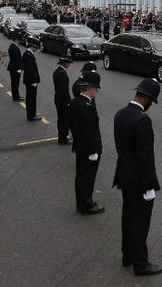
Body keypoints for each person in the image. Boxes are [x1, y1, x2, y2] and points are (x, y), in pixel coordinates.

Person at [113, 78, 162, 276]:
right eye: (151, 100)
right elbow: (145, 156)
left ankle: (127, 255)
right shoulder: (142, 120)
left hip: (124, 176)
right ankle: (141, 263)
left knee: (127, 217)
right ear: (146, 97)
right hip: (139, 181)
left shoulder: (120, 114)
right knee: (140, 222)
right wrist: (150, 185)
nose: (151, 104)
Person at [69, 71, 104, 214]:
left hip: (79, 147)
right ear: (91, 89)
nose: (96, 91)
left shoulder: (75, 102)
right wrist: (93, 151)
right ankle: (86, 204)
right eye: (96, 89)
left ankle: (81, 203)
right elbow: (90, 131)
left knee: (81, 176)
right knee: (87, 178)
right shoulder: (87, 106)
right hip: (88, 150)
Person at [53, 56, 74, 145]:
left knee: (62, 119)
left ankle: (63, 136)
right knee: (64, 120)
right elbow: (63, 90)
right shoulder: (61, 73)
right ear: (64, 63)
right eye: (68, 63)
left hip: (58, 98)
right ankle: (63, 138)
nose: (69, 64)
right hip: (62, 100)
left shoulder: (57, 71)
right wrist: (68, 101)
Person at [23, 41, 42, 121]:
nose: (37, 50)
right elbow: (31, 70)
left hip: (29, 80)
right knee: (31, 98)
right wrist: (34, 80)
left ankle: (32, 113)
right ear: (33, 46)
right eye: (36, 48)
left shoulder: (28, 54)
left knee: (31, 97)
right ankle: (31, 115)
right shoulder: (29, 55)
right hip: (31, 81)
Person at [7, 35, 24, 101]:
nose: (19, 42)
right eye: (19, 41)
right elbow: (16, 59)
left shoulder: (12, 46)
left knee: (14, 83)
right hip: (15, 68)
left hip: (13, 68)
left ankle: (16, 95)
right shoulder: (14, 48)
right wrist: (18, 68)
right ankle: (16, 97)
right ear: (16, 40)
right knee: (15, 83)